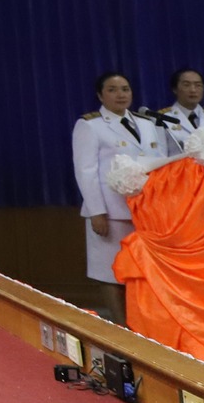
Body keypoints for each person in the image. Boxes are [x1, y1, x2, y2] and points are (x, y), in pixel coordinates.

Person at [73, 71, 174, 324]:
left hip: (145, 211)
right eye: (113, 89)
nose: (121, 94)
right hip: (111, 211)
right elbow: (86, 172)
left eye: (125, 89)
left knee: (140, 271)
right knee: (110, 271)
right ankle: (121, 329)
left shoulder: (148, 123)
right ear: (100, 94)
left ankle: (142, 324)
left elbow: (159, 163)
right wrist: (97, 211)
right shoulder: (90, 125)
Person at [157, 68, 204, 150]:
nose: (193, 90)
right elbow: (160, 155)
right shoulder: (162, 119)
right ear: (175, 89)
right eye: (186, 85)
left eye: (198, 85)